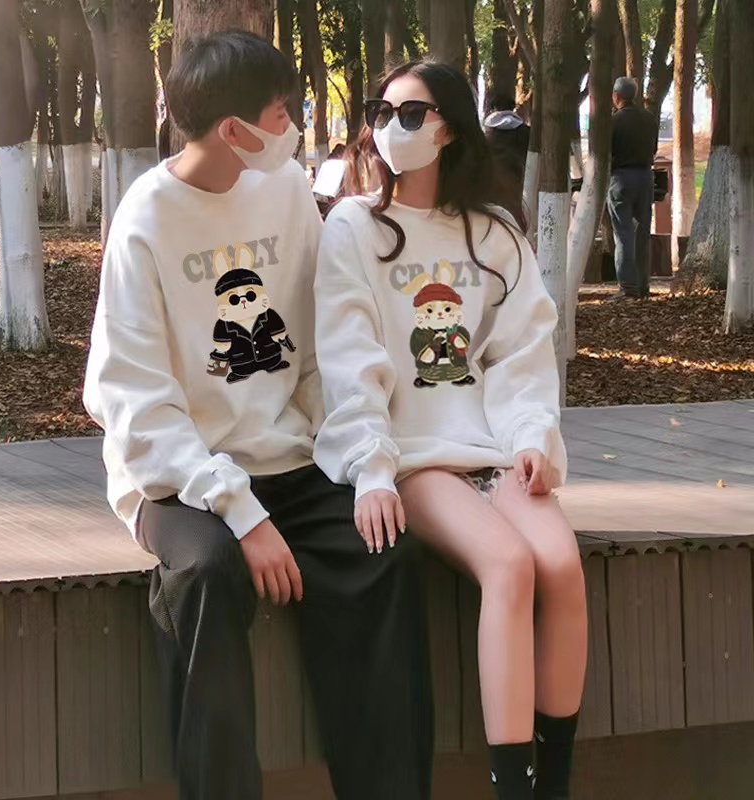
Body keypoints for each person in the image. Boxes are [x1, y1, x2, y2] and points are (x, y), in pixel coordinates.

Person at [83, 31, 433, 800]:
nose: (293, 125)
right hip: (178, 479)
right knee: (207, 574)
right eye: (280, 112)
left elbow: (321, 348)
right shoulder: (144, 222)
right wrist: (241, 513)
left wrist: (363, 461)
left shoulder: (286, 193)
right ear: (234, 132)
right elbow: (138, 402)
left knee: (380, 552)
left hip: (289, 458)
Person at [314, 60, 588, 800]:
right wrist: (373, 466)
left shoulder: (493, 233)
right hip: (415, 456)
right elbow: (349, 359)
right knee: (510, 565)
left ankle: (554, 785)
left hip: (495, 449)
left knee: (561, 566)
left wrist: (531, 438)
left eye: (410, 114)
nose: (389, 128)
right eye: (380, 112)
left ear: (449, 130)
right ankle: (511, 787)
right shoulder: (353, 227)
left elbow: (521, 353)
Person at [607, 76, 659, 300]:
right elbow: (654, 148)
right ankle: (643, 286)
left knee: (623, 233)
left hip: (621, 178)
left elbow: (606, 152)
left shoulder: (613, 121)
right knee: (643, 233)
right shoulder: (649, 119)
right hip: (645, 177)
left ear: (616, 96)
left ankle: (628, 288)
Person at [484, 93, 530, 211]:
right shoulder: (526, 131)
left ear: (493, 108)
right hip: (518, 181)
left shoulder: (487, 133)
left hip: (492, 182)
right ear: (512, 107)